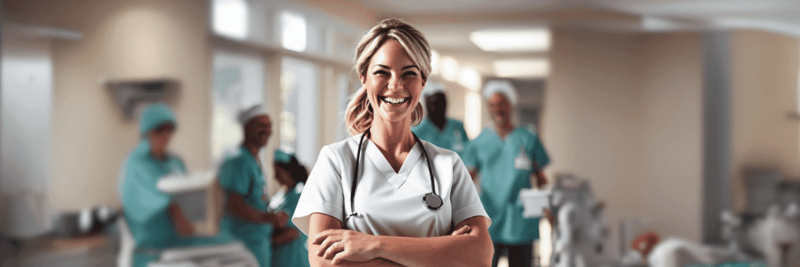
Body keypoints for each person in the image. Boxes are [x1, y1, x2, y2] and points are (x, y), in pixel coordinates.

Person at [292, 18, 494, 267]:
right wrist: (442, 252)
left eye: (409, 73)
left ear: (423, 82)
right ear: (363, 77)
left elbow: (480, 254)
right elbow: (323, 263)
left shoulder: (448, 165)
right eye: (381, 72)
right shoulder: (335, 161)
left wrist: (370, 245)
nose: (395, 84)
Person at [119, 103, 232, 267]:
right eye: (159, 130)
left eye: (169, 130)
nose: (165, 136)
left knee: (231, 246)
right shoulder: (135, 165)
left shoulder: (175, 162)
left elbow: (189, 198)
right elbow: (146, 201)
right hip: (151, 249)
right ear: (146, 132)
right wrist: (174, 209)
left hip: (180, 240)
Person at [463, 80, 550, 267]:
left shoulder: (527, 138)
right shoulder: (480, 141)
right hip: (489, 216)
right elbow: (468, 180)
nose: (497, 109)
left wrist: (547, 207)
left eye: (502, 103)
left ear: (510, 105)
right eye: (492, 105)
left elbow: (541, 178)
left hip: (519, 217)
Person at [218, 104, 289, 267]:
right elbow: (233, 206)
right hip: (242, 245)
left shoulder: (253, 161)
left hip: (257, 245)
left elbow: (256, 200)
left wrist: (272, 215)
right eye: (260, 125)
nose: (267, 130)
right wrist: (269, 218)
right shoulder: (239, 162)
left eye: (269, 125)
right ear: (247, 128)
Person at [270, 149, 311, 267]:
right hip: (280, 259)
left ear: (288, 171)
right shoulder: (280, 195)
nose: (274, 177)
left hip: (294, 259)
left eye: (277, 172)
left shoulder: (300, 195)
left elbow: (293, 232)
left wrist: (265, 242)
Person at [412, 82, 470, 157]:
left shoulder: (458, 127)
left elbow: (468, 155)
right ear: (426, 105)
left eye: (442, 103)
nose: (438, 108)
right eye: (434, 104)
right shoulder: (418, 133)